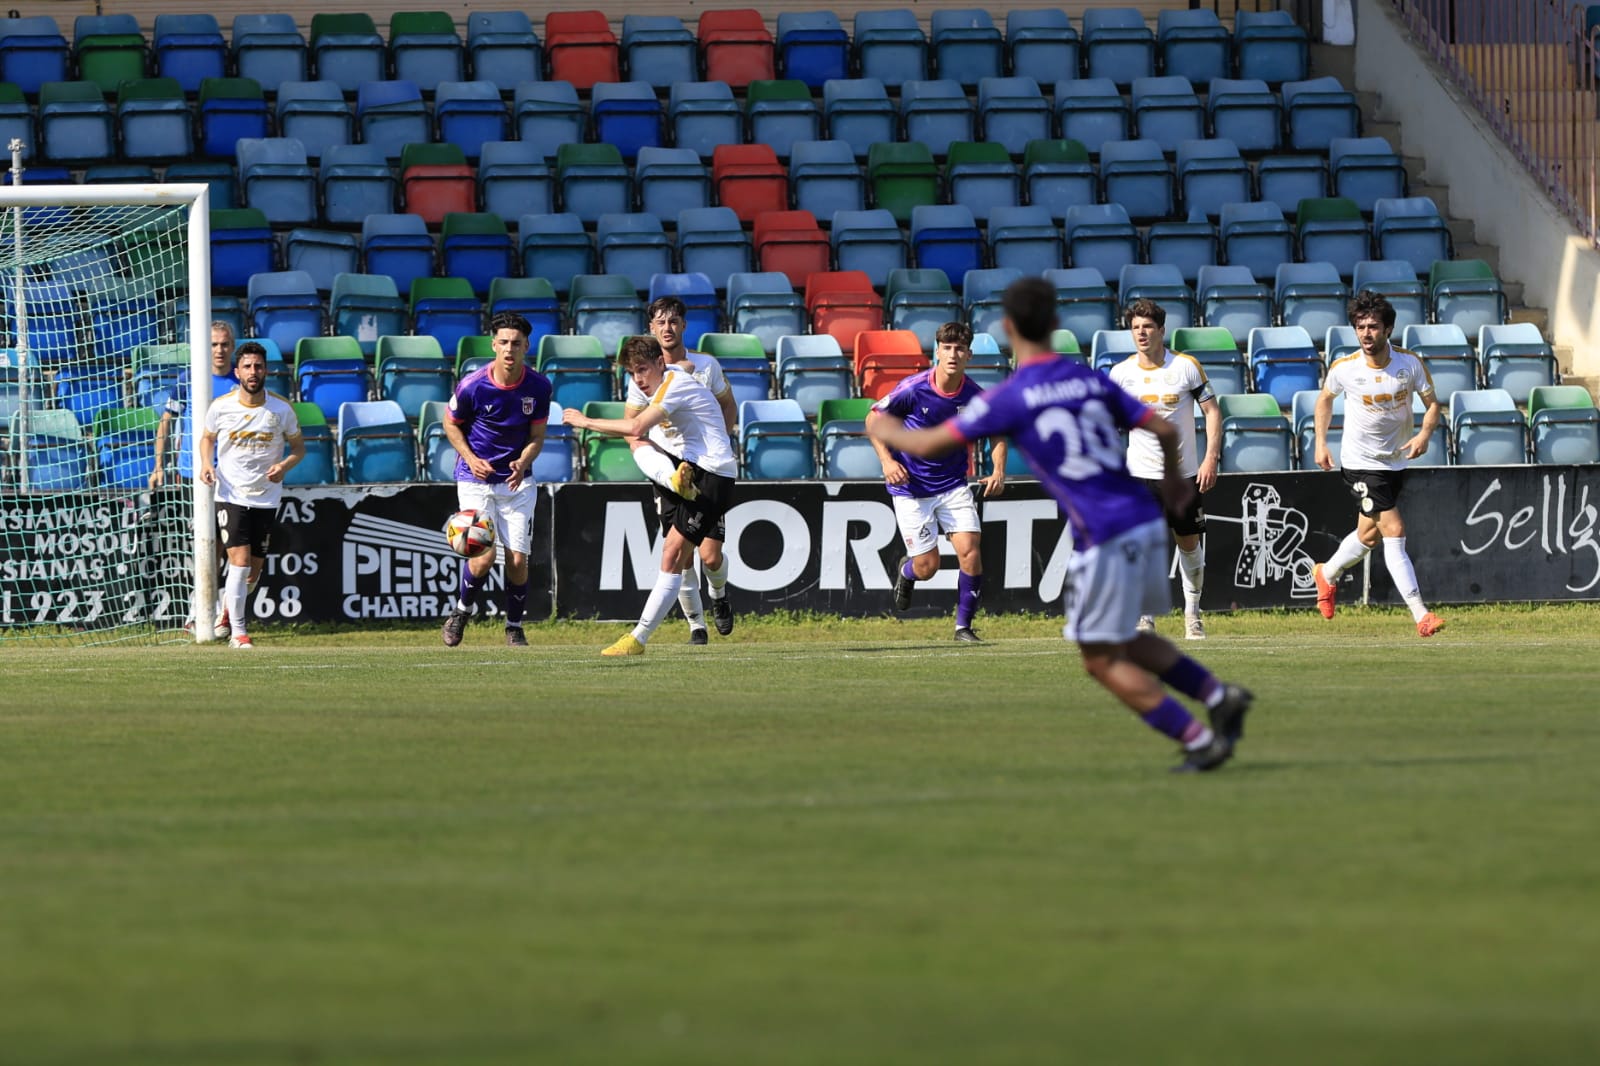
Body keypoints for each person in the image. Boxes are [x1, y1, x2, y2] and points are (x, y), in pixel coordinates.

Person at [868, 278, 1252, 772]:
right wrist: (1177, 483)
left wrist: (881, 426)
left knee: (1101, 657)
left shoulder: (1010, 396)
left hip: (1108, 525)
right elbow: (1160, 426)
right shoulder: (1088, 378)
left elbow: (926, 444)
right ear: (1053, 325)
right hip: (1134, 510)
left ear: (1009, 329)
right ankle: (1217, 698)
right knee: (1118, 642)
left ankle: (1200, 735)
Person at [564, 336, 738, 657]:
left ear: (660, 363)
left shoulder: (674, 385)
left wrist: (584, 422)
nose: (638, 379)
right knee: (674, 555)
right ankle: (658, 634)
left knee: (686, 555)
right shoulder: (669, 377)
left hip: (713, 476)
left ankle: (639, 638)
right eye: (632, 373)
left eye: (642, 369)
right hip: (690, 471)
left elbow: (636, 425)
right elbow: (682, 367)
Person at [1312, 291, 1446, 637]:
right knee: (1394, 530)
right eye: (1360, 327)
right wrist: (1321, 442)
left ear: (1388, 329)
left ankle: (1326, 574)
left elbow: (1433, 404)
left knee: (1368, 536)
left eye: (1373, 326)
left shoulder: (1409, 364)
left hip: (1395, 462)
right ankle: (1421, 615)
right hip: (1360, 463)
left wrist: (1424, 435)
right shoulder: (1345, 368)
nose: (1366, 333)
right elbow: (1325, 399)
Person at [866, 322, 1006, 642]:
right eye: (947, 348)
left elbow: (998, 432)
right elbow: (873, 419)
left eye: (959, 349)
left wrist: (998, 471)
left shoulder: (975, 396)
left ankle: (963, 628)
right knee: (927, 567)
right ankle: (907, 572)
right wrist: (887, 461)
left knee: (970, 552)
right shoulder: (913, 388)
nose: (953, 354)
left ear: (969, 355)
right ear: (937, 352)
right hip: (911, 488)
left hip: (953, 485)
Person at [621, 295, 738, 643]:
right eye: (660, 322)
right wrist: (653, 461)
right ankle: (696, 626)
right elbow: (632, 425)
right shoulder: (642, 373)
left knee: (710, 555)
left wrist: (719, 441)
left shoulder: (705, 365)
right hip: (670, 469)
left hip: (705, 467)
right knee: (679, 554)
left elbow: (728, 404)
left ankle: (719, 595)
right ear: (651, 328)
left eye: (673, 321)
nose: (667, 328)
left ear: (684, 325)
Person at [1107, 299, 1221, 640]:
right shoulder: (1121, 374)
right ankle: (1145, 617)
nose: (1141, 333)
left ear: (1161, 330)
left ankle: (1192, 615)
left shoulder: (1186, 367)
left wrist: (1211, 457)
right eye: (1135, 328)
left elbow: (1212, 411)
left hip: (1182, 476)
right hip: (1139, 474)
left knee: (1189, 545)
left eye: (1147, 327)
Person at [439, 312, 553, 648]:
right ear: (493, 345)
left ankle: (514, 626)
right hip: (475, 480)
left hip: (517, 483)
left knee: (517, 560)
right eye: (503, 342)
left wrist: (524, 461)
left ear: (526, 346)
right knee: (483, 556)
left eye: (516, 343)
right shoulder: (472, 385)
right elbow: (450, 424)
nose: (509, 349)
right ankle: (461, 612)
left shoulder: (539, 386)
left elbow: (537, 437)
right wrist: (471, 458)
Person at [199, 342, 304, 649]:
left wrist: (283, 466)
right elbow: (207, 438)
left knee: (252, 573)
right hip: (231, 493)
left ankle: (228, 611)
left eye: (258, 366)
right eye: (247, 366)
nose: (253, 371)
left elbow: (299, 449)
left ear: (266, 370)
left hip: (266, 497)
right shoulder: (221, 406)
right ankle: (238, 633)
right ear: (238, 372)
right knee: (240, 561)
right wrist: (206, 463)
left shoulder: (281, 409)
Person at [150, 321, 238, 489]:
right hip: (192, 469)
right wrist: (158, 465)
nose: (219, 350)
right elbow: (166, 420)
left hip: (232, 471)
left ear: (232, 346)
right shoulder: (188, 378)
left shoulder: (242, 379)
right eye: (213, 344)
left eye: (225, 344)